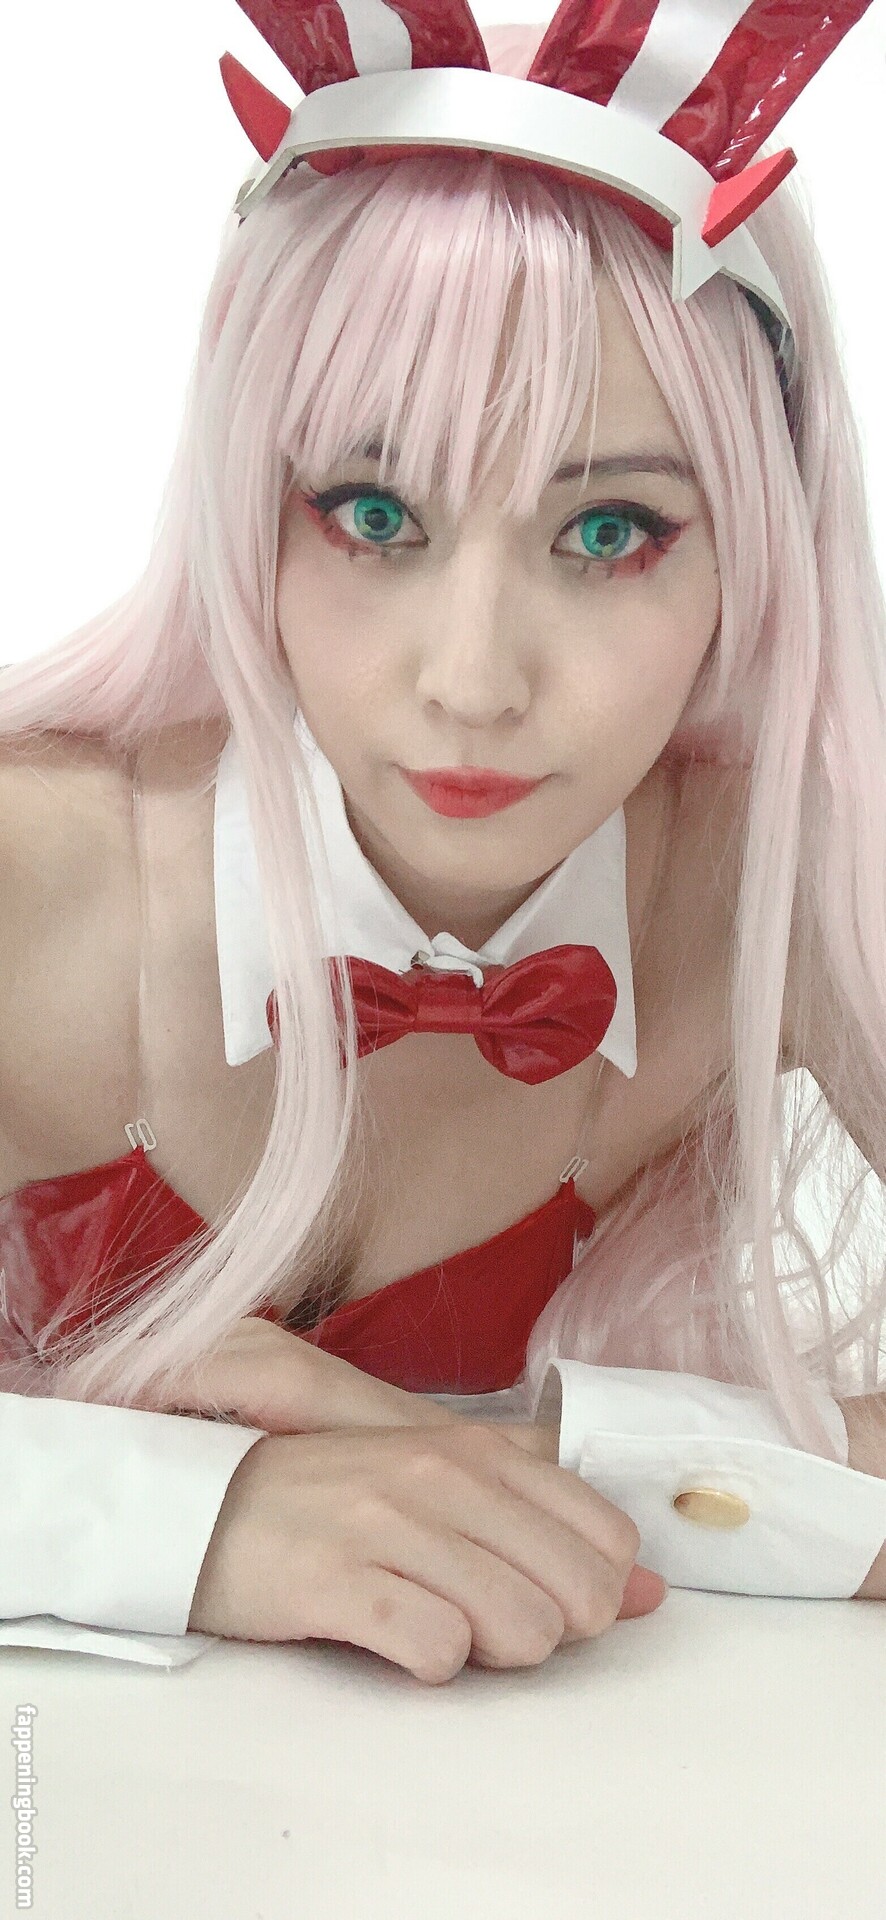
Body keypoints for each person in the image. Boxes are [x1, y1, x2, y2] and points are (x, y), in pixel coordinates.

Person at [1, 5, 885, 1685]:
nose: (472, 682)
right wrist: (206, 1521)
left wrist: (547, 1465)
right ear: (248, 509)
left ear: (755, 550)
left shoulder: (773, 889)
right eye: (373, 514)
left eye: (608, 529)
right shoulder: (29, 869)